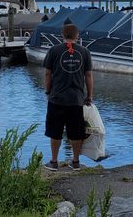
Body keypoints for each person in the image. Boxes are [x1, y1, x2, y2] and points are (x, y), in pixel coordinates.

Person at [43, 22, 93, 171]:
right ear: (77, 36)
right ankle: (75, 162)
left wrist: (48, 91)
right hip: (76, 99)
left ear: (62, 35)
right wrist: (89, 95)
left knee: (55, 131)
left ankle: (54, 162)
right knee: (76, 132)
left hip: (56, 98)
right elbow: (88, 75)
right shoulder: (84, 52)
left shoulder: (53, 50)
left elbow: (47, 73)